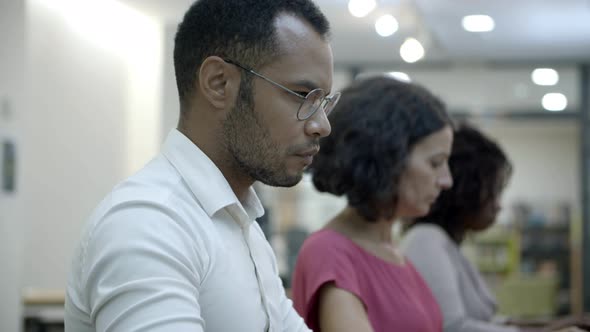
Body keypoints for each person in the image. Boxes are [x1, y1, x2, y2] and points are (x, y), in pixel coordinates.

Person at [64, 0, 341, 331]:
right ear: (219, 83)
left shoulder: (243, 226)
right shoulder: (149, 223)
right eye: (301, 95)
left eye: (322, 102)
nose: (321, 125)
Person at [291, 76, 454, 332]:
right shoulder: (330, 252)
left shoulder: (392, 252)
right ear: (387, 159)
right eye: (435, 163)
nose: (446, 181)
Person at [401, 123, 589, 332]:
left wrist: (561, 323)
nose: (498, 205)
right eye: (494, 192)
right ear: (466, 190)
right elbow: (454, 327)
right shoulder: (426, 240)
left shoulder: (445, 243)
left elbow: (489, 322)